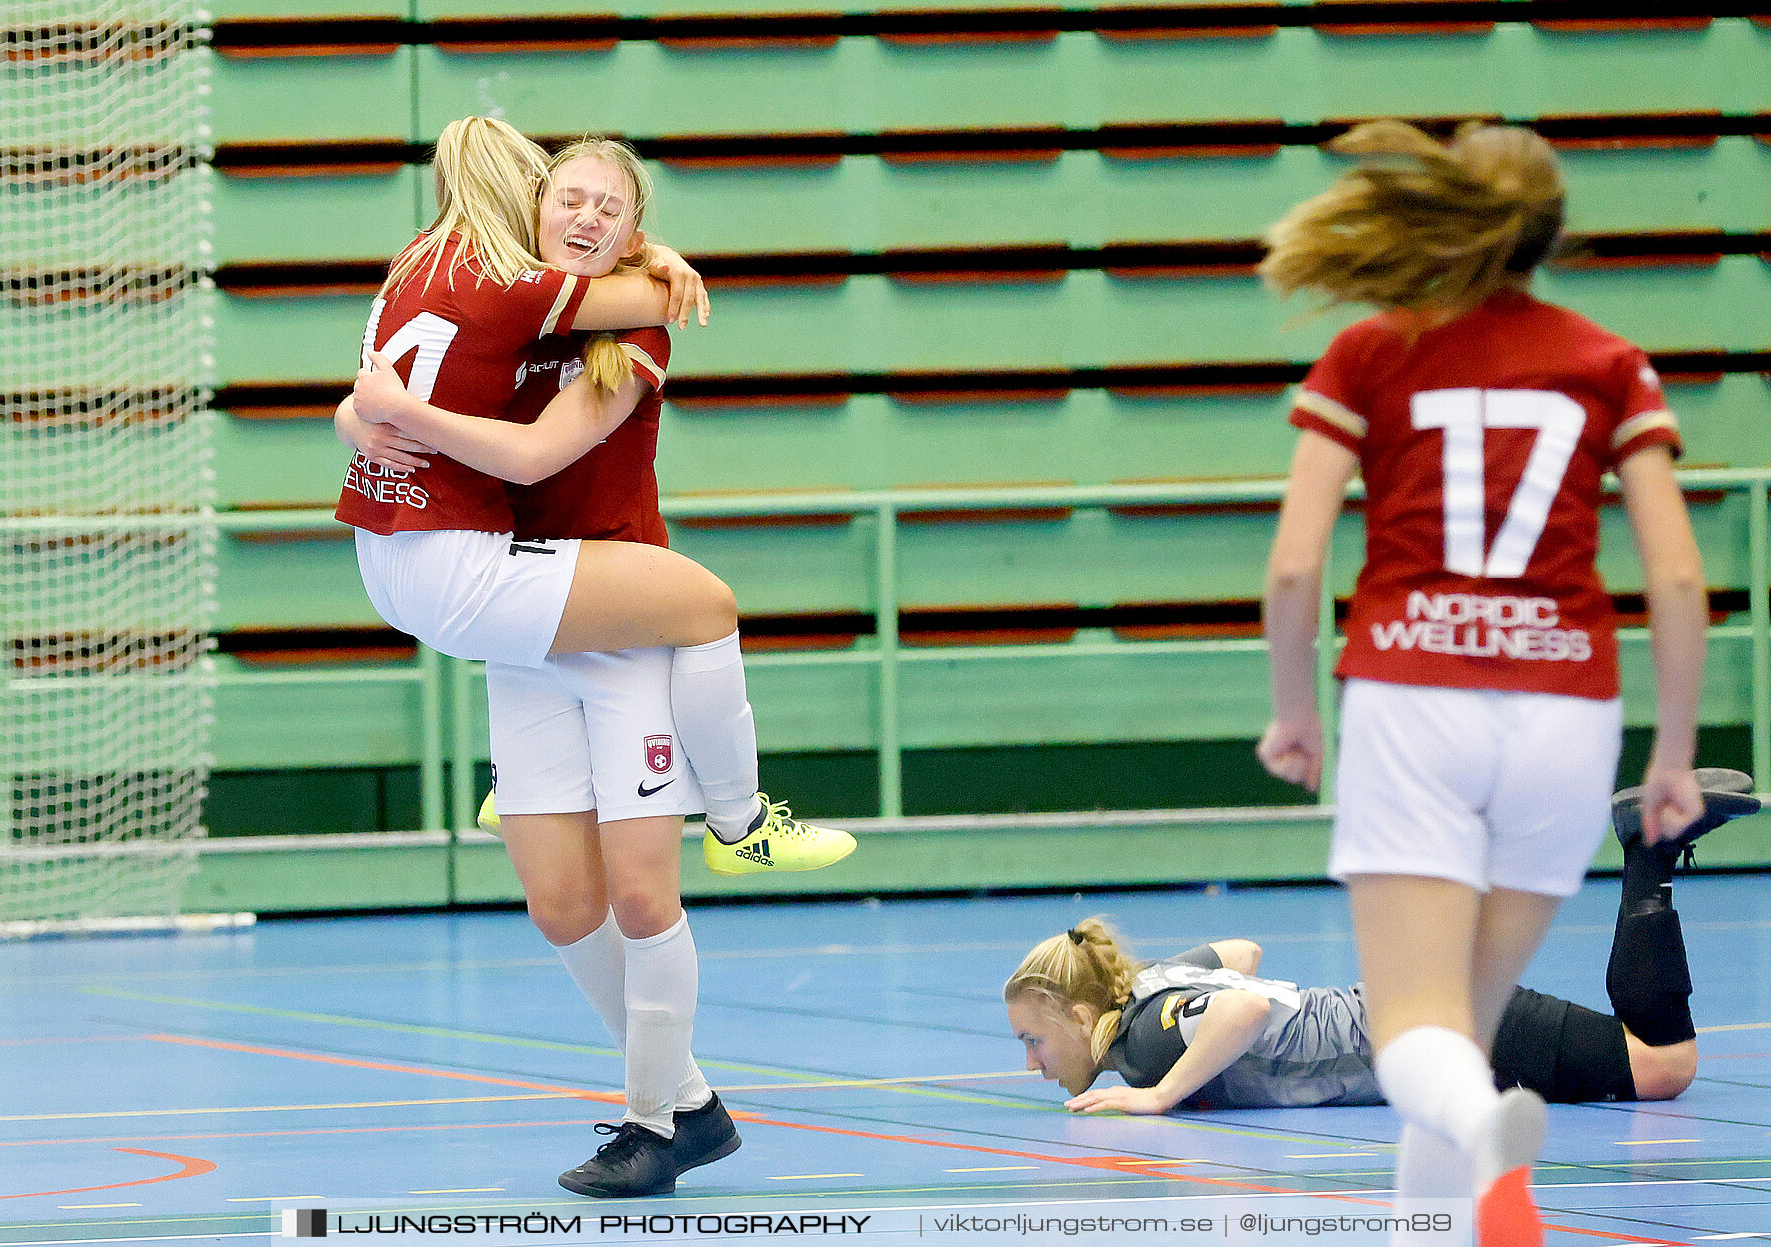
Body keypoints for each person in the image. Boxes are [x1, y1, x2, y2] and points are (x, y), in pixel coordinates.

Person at [1250, 120, 1709, 1245]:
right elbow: (1680, 573)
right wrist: (1675, 754)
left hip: (1417, 698)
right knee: (1464, 1020)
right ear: (1553, 233)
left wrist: (1295, 711)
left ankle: (1496, 1127)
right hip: (1568, 711)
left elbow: (1298, 560)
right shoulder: (1610, 362)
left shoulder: (1372, 351)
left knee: (1415, 1036)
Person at [333, 115, 855, 877]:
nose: (588, 217)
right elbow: (458, 409)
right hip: (512, 562)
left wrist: (365, 413)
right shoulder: (519, 298)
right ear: (532, 207)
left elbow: (491, 409)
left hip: (558, 552)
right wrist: (364, 415)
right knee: (702, 612)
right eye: (568, 200)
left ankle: (709, 816)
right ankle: (730, 821)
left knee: (630, 886)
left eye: (612, 211)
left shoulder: (483, 279)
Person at [1005, 772, 1758, 1121]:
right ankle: (1647, 849)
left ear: (1078, 1014)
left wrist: (1163, 1094)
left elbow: (1237, 1010)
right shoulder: (1147, 994)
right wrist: (1161, 981)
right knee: (1651, 1058)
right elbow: (1243, 950)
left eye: (1035, 1040)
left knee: (1662, 1067)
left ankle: (1648, 851)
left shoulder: (1143, 1043)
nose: (1032, 1063)